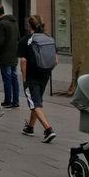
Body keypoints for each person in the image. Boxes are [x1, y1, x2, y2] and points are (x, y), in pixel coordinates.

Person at [18, 15, 57, 143]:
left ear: (29, 26)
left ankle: (48, 129)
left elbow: (23, 61)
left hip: (31, 75)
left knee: (34, 103)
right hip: (45, 74)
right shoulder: (49, 38)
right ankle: (30, 127)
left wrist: (24, 78)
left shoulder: (25, 40)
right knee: (37, 101)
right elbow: (56, 61)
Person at [0, 5, 20, 109]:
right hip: (14, 54)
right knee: (14, 78)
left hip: (5, 55)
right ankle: (15, 101)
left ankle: (7, 101)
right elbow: (18, 38)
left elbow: (0, 42)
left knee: (7, 78)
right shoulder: (14, 22)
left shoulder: (1, 24)